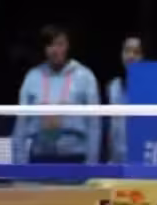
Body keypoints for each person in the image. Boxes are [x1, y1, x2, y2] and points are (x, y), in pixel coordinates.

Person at [12, 25, 102, 164]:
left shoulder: (85, 77)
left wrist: (92, 165)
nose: (55, 50)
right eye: (50, 45)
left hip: (75, 158)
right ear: (44, 48)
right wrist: (19, 166)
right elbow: (21, 125)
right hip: (40, 157)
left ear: (68, 46)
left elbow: (94, 125)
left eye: (60, 44)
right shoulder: (32, 77)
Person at [106, 35, 144, 164]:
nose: (130, 56)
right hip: (117, 159)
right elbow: (112, 127)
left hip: (141, 159)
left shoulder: (150, 88)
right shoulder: (113, 86)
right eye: (127, 51)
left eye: (136, 52)